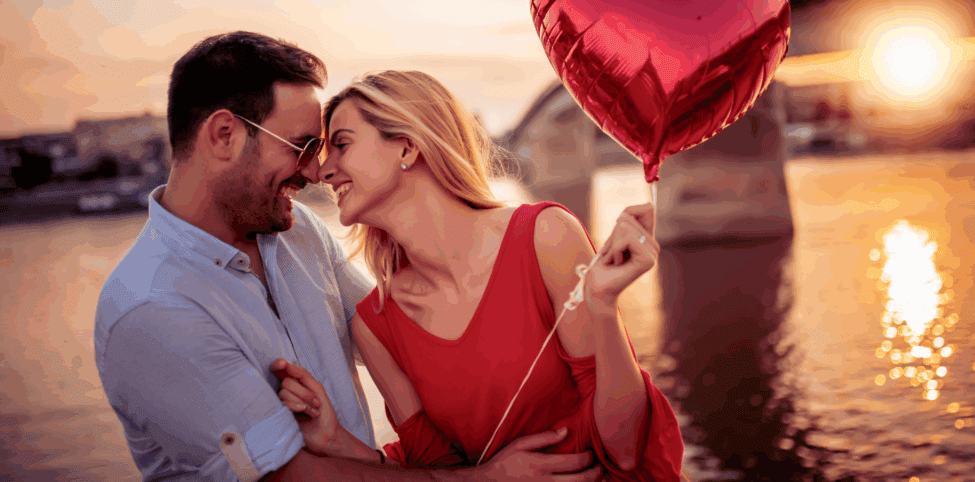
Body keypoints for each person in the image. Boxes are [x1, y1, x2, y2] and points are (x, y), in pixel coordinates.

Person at [94, 31, 603, 482]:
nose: (315, 171)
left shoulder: (298, 234)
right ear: (224, 136)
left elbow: (412, 338)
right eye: (301, 146)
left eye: (326, 146)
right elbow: (289, 476)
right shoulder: (152, 309)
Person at [274, 71, 685, 481]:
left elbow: (626, 451)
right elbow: (436, 474)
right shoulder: (375, 326)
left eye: (341, 145)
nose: (322, 172)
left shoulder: (547, 236)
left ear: (407, 146)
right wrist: (337, 444)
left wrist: (603, 308)